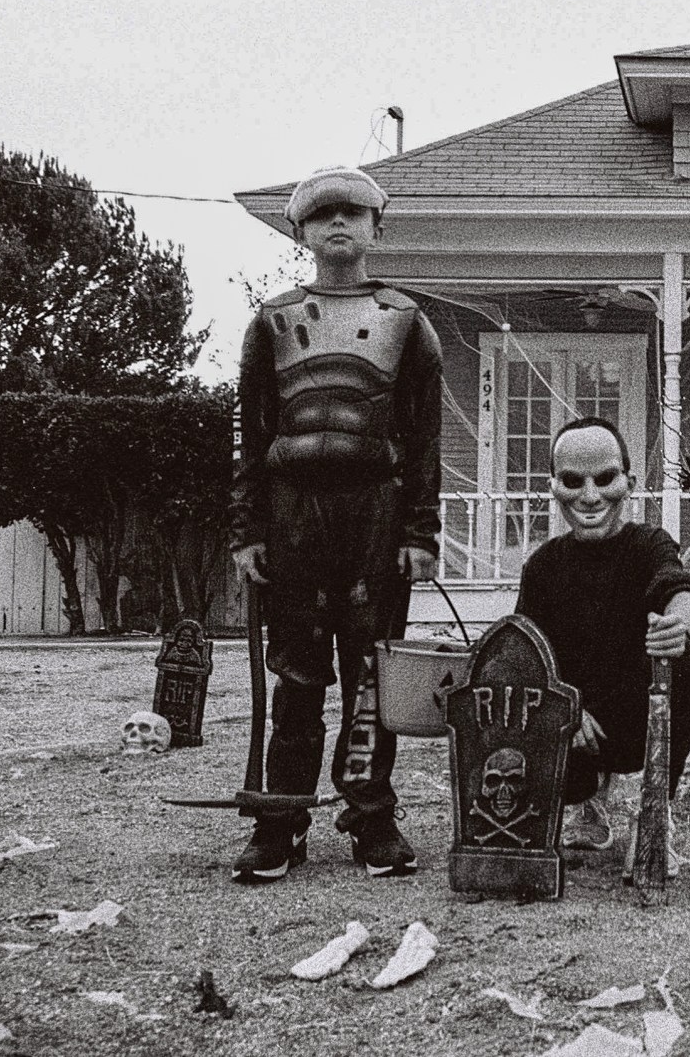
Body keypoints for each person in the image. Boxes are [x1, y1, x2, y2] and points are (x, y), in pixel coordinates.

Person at [228, 167, 442, 883]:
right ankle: (280, 819)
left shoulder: (408, 321)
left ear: (377, 227)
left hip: (375, 513)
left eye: (354, 213)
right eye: (324, 216)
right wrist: (248, 529)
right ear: (301, 233)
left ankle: (370, 815)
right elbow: (249, 432)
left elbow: (425, 438)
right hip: (293, 517)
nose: (339, 225)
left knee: (373, 676)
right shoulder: (271, 319)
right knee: (295, 674)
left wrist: (420, 532)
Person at [513, 416, 690, 857]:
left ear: (629, 482)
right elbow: (521, 651)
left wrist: (678, 623)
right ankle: (586, 803)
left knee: (688, 653)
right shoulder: (542, 567)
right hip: (572, 727)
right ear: (554, 487)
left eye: (604, 479)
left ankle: (657, 810)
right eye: (572, 481)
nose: (589, 496)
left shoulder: (649, 543)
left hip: (635, 717)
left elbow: (678, 586)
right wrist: (563, 703)